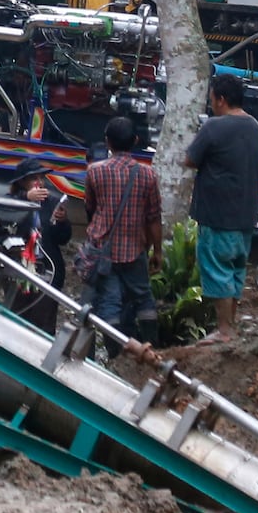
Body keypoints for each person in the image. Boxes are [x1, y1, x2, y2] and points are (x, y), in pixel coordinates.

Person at [184, 74, 258, 344]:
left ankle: (225, 329)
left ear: (221, 99)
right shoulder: (255, 127)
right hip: (245, 213)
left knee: (218, 271)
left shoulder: (214, 128)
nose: (212, 105)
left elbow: (190, 159)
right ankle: (229, 327)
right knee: (235, 271)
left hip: (218, 214)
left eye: (212, 100)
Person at [82, 116, 162, 355]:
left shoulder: (94, 172)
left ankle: (115, 355)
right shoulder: (148, 175)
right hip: (135, 250)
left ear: (107, 142)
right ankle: (153, 350)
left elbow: (91, 208)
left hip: (102, 251)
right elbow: (154, 218)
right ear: (136, 141)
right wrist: (157, 251)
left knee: (109, 303)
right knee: (144, 298)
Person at [7, 159, 73, 333]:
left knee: (43, 322)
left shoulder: (51, 202)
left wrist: (62, 222)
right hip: (20, 267)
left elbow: (63, 239)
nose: (39, 183)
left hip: (47, 269)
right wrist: (24, 199)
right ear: (22, 182)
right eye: (33, 179)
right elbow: (3, 216)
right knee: (16, 316)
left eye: (41, 178)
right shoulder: (12, 201)